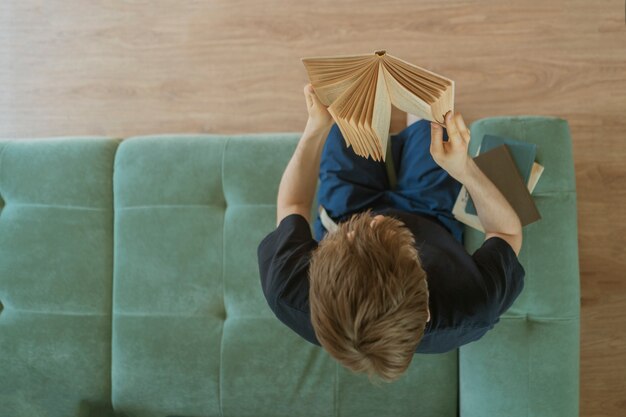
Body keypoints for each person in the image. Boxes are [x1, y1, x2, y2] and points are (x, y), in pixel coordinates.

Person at [257, 83, 525, 384]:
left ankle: (376, 113)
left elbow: (293, 204)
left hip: (344, 215)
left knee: (350, 116)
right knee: (429, 121)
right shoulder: (472, 307)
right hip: (431, 219)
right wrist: (464, 169)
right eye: (389, 236)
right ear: (426, 307)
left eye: (353, 240)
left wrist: (315, 129)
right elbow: (506, 232)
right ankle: (411, 119)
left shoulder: (286, 288)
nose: (376, 220)